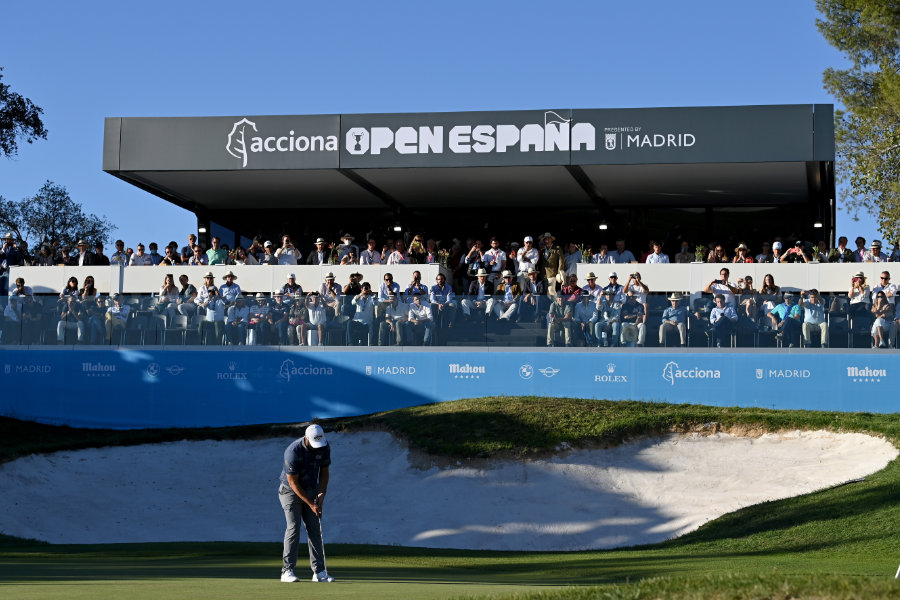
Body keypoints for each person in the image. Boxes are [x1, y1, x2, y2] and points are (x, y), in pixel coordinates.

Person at [278, 424, 333, 584]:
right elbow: (293, 483)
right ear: (306, 438)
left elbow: (324, 472)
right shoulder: (293, 451)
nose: (318, 448)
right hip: (290, 491)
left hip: (311, 489)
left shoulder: (323, 446)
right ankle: (287, 571)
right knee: (293, 527)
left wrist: (322, 494)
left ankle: (320, 572)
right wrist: (310, 503)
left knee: (315, 528)